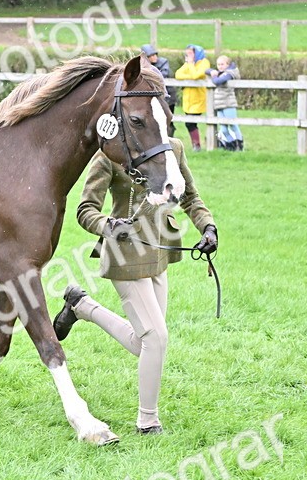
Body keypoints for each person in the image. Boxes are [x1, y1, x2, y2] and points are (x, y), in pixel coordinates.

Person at [53, 139, 217, 434]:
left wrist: (208, 227)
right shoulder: (109, 155)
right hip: (124, 255)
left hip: (160, 253)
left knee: (145, 342)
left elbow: (190, 197)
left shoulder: (175, 149)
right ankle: (148, 421)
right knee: (155, 338)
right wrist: (108, 225)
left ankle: (81, 306)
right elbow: (86, 208)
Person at [174, 44, 212, 151]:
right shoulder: (189, 64)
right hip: (188, 99)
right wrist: (189, 70)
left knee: (190, 122)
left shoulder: (204, 63)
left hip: (198, 98)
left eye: (191, 53)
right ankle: (196, 145)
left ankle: (198, 145)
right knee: (190, 123)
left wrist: (190, 65)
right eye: (187, 53)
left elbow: (196, 75)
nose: (188, 55)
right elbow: (178, 74)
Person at [207, 55, 244, 151]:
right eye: (218, 64)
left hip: (228, 104)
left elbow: (218, 81)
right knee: (223, 129)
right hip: (219, 105)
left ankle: (240, 147)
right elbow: (206, 70)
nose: (220, 66)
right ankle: (231, 146)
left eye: (222, 64)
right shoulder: (221, 73)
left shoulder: (229, 74)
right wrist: (212, 71)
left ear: (228, 64)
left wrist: (214, 76)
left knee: (233, 125)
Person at [141, 44, 176, 134]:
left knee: (168, 118)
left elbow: (163, 74)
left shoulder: (163, 62)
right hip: (152, 97)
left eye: (154, 55)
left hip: (167, 96)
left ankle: (169, 138)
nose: (154, 57)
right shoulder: (143, 66)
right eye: (151, 56)